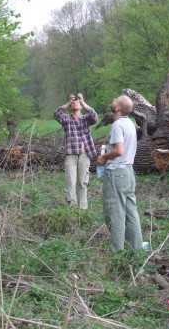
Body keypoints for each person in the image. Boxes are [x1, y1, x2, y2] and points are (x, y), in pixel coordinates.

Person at [96, 94, 144, 252]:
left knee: (115, 212)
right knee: (131, 211)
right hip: (129, 172)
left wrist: (104, 156)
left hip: (117, 173)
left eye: (115, 99)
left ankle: (117, 253)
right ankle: (136, 249)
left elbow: (119, 150)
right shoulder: (130, 123)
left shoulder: (117, 125)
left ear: (117, 108)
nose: (112, 100)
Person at [54, 93, 98, 210]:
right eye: (73, 102)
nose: (75, 102)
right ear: (70, 106)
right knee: (71, 183)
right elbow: (56, 113)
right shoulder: (66, 118)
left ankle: (83, 209)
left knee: (83, 183)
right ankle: (72, 209)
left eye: (77, 102)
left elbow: (95, 117)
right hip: (71, 155)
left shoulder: (85, 119)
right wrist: (69, 102)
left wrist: (83, 101)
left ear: (81, 106)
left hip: (84, 155)